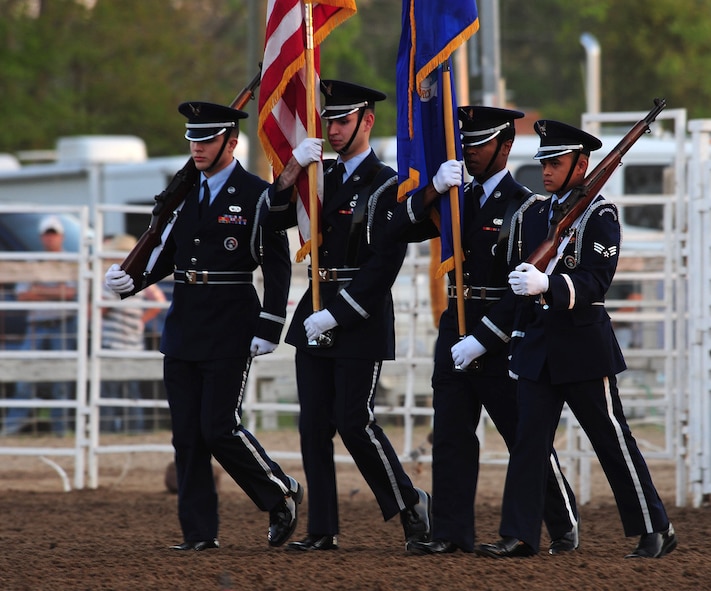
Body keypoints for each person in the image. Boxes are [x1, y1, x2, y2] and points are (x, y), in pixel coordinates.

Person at [104, 101, 303, 551]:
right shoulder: (183, 193)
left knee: (219, 427)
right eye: (193, 139)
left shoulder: (256, 193)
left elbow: (276, 263)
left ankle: (280, 492)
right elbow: (167, 253)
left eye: (208, 139)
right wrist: (129, 280)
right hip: (185, 322)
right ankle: (198, 533)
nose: (197, 148)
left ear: (231, 143)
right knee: (187, 436)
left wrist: (270, 323)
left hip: (232, 321)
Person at [477, 120, 677, 559]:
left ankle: (654, 527)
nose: (546, 170)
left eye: (556, 162)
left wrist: (548, 286)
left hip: (583, 348)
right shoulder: (532, 214)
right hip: (537, 349)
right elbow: (517, 277)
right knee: (528, 442)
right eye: (544, 162)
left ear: (582, 165)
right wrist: (513, 324)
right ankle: (521, 534)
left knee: (610, 438)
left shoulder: (600, 215)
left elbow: (594, 281)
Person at [390, 106, 579, 555]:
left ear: (505, 146)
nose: (468, 152)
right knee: (452, 435)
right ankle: (452, 533)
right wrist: (431, 190)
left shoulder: (526, 206)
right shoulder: (456, 197)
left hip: (500, 337)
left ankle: (563, 519)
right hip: (454, 325)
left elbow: (522, 288)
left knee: (521, 435)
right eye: (465, 143)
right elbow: (393, 229)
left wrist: (484, 339)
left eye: (478, 143)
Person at [270, 80, 431, 551]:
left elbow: (385, 263)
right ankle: (323, 528)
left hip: (358, 315)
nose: (334, 130)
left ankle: (410, 504)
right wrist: (291, 170)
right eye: (329, 122)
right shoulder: (319, 177)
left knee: (353, 420)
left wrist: (338, 314)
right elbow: (273, 217)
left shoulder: (387, 183)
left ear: (367, 121)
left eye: (343, 121)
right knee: (313, 425)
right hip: (315, 307)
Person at [2, 215, 77, 436]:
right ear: (42, 237)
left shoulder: (69, 263)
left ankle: (60, 432)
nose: (50, 238)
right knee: (25, 377)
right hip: (38, 325)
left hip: (62, 325)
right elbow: (22, 295)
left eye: (53, 234)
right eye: (47, 234)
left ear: (60, 237)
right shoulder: (34, 262)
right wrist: (57, 293)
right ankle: (11, 430)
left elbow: (71, 293)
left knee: (61, 382)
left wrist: (39, 291)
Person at [100, 234, 166, 432]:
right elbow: (159, 301)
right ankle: (134, 430)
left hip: (113, 343)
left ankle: (109, 430)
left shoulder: (115, 279)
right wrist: (140, 321)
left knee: (111, 393)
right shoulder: (137, 277)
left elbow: (101, 309)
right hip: (133, 343)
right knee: (131, 393)